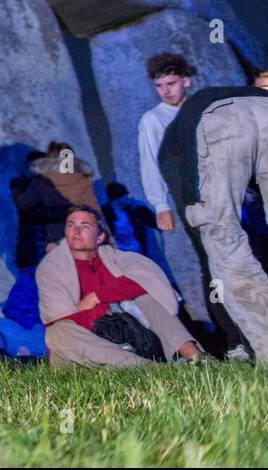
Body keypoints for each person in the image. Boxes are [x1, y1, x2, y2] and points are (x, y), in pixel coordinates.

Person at [139, 52, 246, 356]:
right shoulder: (153, 120)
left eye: (171, 83)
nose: (166, 90)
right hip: (193, 201)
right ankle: (233, 338)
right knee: (211, 264)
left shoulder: (205, 108)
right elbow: (150, 162)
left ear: (185, 80)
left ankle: (252, 329)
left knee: (243, 256)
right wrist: (160, 205)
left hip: (231, 195)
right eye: (159, 85)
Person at [158, 83, 268, 360]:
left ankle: (257, 346)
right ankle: (239, 340)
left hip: (219, 119)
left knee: (223, 243)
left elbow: (211, 225)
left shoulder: (175, 145)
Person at [36, 207, 203, 367]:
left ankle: (194, 358)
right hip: (86, 351)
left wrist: (96, 297)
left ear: (100, 237)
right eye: (71, 225)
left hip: (130, 335)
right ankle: (149, 369)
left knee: (147, 296)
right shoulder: (51, 268)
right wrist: (102, 310)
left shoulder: (115, 258)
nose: (76, 231)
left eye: (84, 226)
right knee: (56, 332)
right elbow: (58, 317)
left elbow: (147, 278)